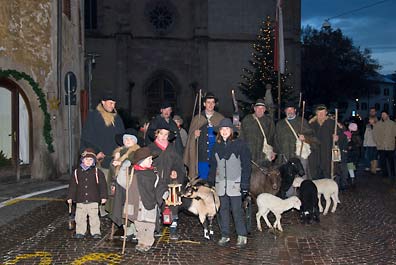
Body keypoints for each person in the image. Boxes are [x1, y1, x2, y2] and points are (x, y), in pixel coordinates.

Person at [208, 118, 251, 248]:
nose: (224, 131)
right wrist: (211, 182)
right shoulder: (216, 146)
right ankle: (225, 235)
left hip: (236, 185)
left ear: (231, 130)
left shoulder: (240, 145)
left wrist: (244, 185)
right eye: (222, 129)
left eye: (227, 129)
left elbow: (247, 166)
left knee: (237, 210)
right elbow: (213, 166)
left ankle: (242, 235)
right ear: (219, 132)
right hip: (221, 185)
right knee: (223, 210)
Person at [80, 92, 125, 216]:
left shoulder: (117, 118)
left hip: (114, 158)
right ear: (103, 102)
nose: (112, 105)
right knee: (101, 184)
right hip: (100, 158)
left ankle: (112, 209)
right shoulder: (94, 116)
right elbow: (87, 137)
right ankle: (100, 210)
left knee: (114, 185)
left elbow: (122, 136)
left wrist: (121, 151)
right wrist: (95, 152)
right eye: (110, 102)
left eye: (114, 103)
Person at [116, 147, 168, 252]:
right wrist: (122, 169)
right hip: (136, 204)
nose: (151, 161)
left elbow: (160, 185)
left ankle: (148, 242)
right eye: (149, 159)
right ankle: (141, 241)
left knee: (149, 225)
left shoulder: (153, 174)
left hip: (149, 203)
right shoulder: (132, 173)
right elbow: (122, 182)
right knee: (139, 225)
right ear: (141, 161)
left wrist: (164, 193)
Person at [148, 120, 186, 240]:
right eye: (161, 134)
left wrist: (176, 171)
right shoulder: (150, 148)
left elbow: (179, 164)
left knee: (172, 206)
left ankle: (173, 230)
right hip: (155, 182)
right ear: (156, 134)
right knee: (156, 205)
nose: (164, 137)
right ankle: (156, 228)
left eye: (166, 134)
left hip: (170, 182)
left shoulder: (172, 149)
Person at [67, 148, 108, 239]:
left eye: (90, 159)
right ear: (82, 160)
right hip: (80, 199)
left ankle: (95, 232)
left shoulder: (97, 172)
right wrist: (70, 196)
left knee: (94, 217)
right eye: (86, 159)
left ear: (94, 161)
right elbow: (73, 186)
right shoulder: (76, 172)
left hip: (93, 199)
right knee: (80, 217)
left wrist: (104, 196)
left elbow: (103, 185)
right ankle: (80, 231)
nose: (88, 161)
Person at [109, 128, 140, 242]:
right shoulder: (119, 151)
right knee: (121, 207)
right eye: (125, 138)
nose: (127, 140)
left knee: (131, 206)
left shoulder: (136, 152)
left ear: (135, 141)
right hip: (120, 185)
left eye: (130, 138)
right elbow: (113, 171)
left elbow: (135, 164)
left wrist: (122, 163)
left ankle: (136, 230)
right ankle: (127, 230)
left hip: (132, 185)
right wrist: (115, 162)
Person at [183, 92, 224, 180]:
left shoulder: (220, 118)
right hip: (202, 158)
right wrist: (194, 135)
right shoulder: (198, 118)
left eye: (212, 102)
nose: (210, 104)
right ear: (204, 104)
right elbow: (190, 138)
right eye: (208, 102)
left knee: (216, 182)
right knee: (202, 184)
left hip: (216, 157)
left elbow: (227, 135)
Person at [274, 102, 317, 179]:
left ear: (295, 110)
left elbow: (312, 137)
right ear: (285, 111)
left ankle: (304, 190)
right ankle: (289, 191)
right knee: (288, 178)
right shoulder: (280, 124)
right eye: (288, 109)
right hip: (285, 156)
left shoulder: (302, 121)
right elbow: (276, 140)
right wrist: (278, 153)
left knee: (302, 177)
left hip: (300, 155)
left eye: (292, 109)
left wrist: (305, 138)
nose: (290, 111)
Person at [308, 105, 344, 179]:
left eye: (323, 112)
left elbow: (342, 136)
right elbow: (307, 136)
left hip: (327, 154)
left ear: (326, 113)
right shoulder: (311, 124)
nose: (321, 115)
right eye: (319, 113)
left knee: (328, 174)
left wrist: (337, 138)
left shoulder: (331, 123)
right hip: (315, 154)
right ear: (316, 113)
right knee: (315, 174)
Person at [240, 98, 276, 167]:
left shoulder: (269, 121)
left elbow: (273, 136)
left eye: (262, 108)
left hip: (263, 154)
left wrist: (273, 151)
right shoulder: (247, 119)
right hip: (249, 152)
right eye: (258, 108)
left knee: (263, 174)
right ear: (254, 109)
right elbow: (242, 135)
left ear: (265, 110)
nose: (260, 110)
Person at [373, 111, 396, 182]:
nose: (383, 116)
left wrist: (393, 141)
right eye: (382, 114)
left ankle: (393, 174)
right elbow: (375, 134)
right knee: (382, 162)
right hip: (381, 146)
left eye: (384, 114)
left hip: (390, 146)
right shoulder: (378, 124)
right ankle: (385, 175)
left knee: (391, 161)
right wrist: (377, 142)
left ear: (387, 115)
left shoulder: (392, 124)